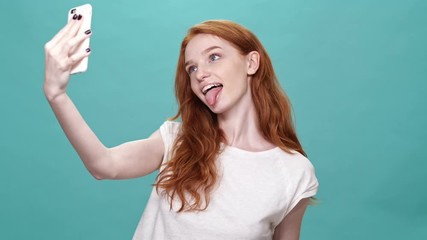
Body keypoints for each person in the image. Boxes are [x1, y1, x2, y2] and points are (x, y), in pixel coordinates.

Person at [44, 15, 319, 240]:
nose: (200, 74)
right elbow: (104, 165)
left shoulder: (293, 173)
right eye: (191, 69)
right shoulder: (176, 141)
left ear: (251, 62)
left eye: (213, 57)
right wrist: (57, 96)